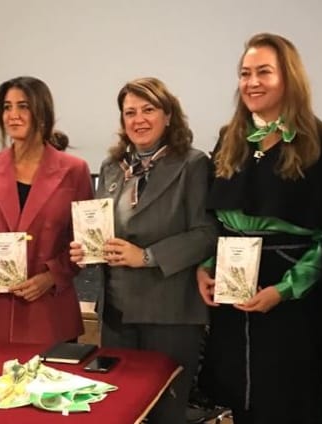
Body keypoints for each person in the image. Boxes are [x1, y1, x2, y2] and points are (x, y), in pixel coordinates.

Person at [196, 33, 322, 424]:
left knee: (288, 397)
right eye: (245, 73)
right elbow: (219, 220)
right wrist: (205, 267)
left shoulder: (320, 142)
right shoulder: (229, 138)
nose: (252, 82)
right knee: (239, 396)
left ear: (288, 78)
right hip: (232, 287)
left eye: (264, 72)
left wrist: (287, 289)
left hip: (289, 291)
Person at [69, 77, 218, 424]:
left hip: (169, 312)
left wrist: (146, 256)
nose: (139, 119)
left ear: (168, 115)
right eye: (130, 112)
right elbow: (104, 228)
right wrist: (86, 249)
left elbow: (206, 233)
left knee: (166, 413)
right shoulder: (112, 168)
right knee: (121, 410)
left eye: (148, 110)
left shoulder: (193, 164)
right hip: (117, 312)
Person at [0, 76, 94, 344]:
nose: (13, 115)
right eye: (6, 107)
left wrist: (51, 276)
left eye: (23, 106)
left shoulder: (75, 170)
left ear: (42, 112)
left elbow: (84, 244)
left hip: (48, 313)